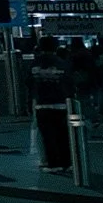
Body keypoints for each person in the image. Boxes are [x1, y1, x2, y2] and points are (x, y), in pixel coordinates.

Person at [30, 37, 72, 171]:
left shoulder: (35, 64)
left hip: (42, 103)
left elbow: (28, 82)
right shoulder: (62, 63)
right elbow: (69, 82)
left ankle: (53, 163)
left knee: (48, 136)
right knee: (63, 135)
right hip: (60, 102)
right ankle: (67, 162)